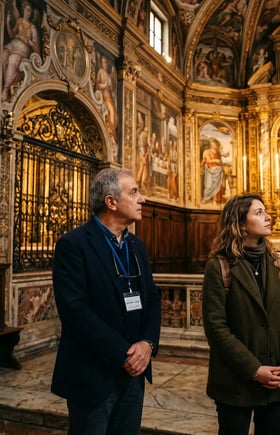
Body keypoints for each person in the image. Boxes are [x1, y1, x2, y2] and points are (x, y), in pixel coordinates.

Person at [51, 167, 161, 435]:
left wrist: (147, 344)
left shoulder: (136, 245)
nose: (142, 198)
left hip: (134, 373)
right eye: (133, 192)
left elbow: (152, 298)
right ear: (111, 202)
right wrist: (123, 354)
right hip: (93, 373)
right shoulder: (74, 244)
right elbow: (75, 311)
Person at [202, 193, 280, 435]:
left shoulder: (277, 265)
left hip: (277, 380)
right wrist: (255, 370)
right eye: (258, 213)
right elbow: (216, 328)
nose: (268, 217)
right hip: (236, 382)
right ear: (240, 222)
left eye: (265, 211)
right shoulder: (220, 266)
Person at [1, 0, 40, 101]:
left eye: (30, 11)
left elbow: (36, 48)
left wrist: (27, 41)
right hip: (12, 44)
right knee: (3, 55)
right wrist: (9, 23)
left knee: (12, 60)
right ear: (23, 10)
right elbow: (12, 35)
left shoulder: (33, 28)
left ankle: (5, 90)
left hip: (22, 50)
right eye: (27, 10)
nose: (29, 13)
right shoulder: (19, 21)